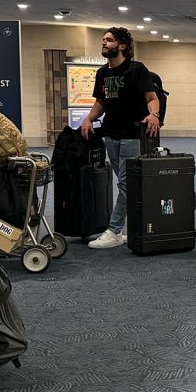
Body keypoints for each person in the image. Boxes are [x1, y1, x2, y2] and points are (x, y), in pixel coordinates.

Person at [78, 27, 161, 249]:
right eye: (103, 40)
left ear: (122, 45)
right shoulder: (102, 73)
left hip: (133, 135)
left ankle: (114, 230)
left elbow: (152, 98)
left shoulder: (136, 70)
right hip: (111, 135)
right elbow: (101, 102)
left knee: (126, 184)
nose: (104, 43)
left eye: (110, 40)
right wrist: (89, 119)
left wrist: (154, 115)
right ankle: (134, 228)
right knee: (129, 185)